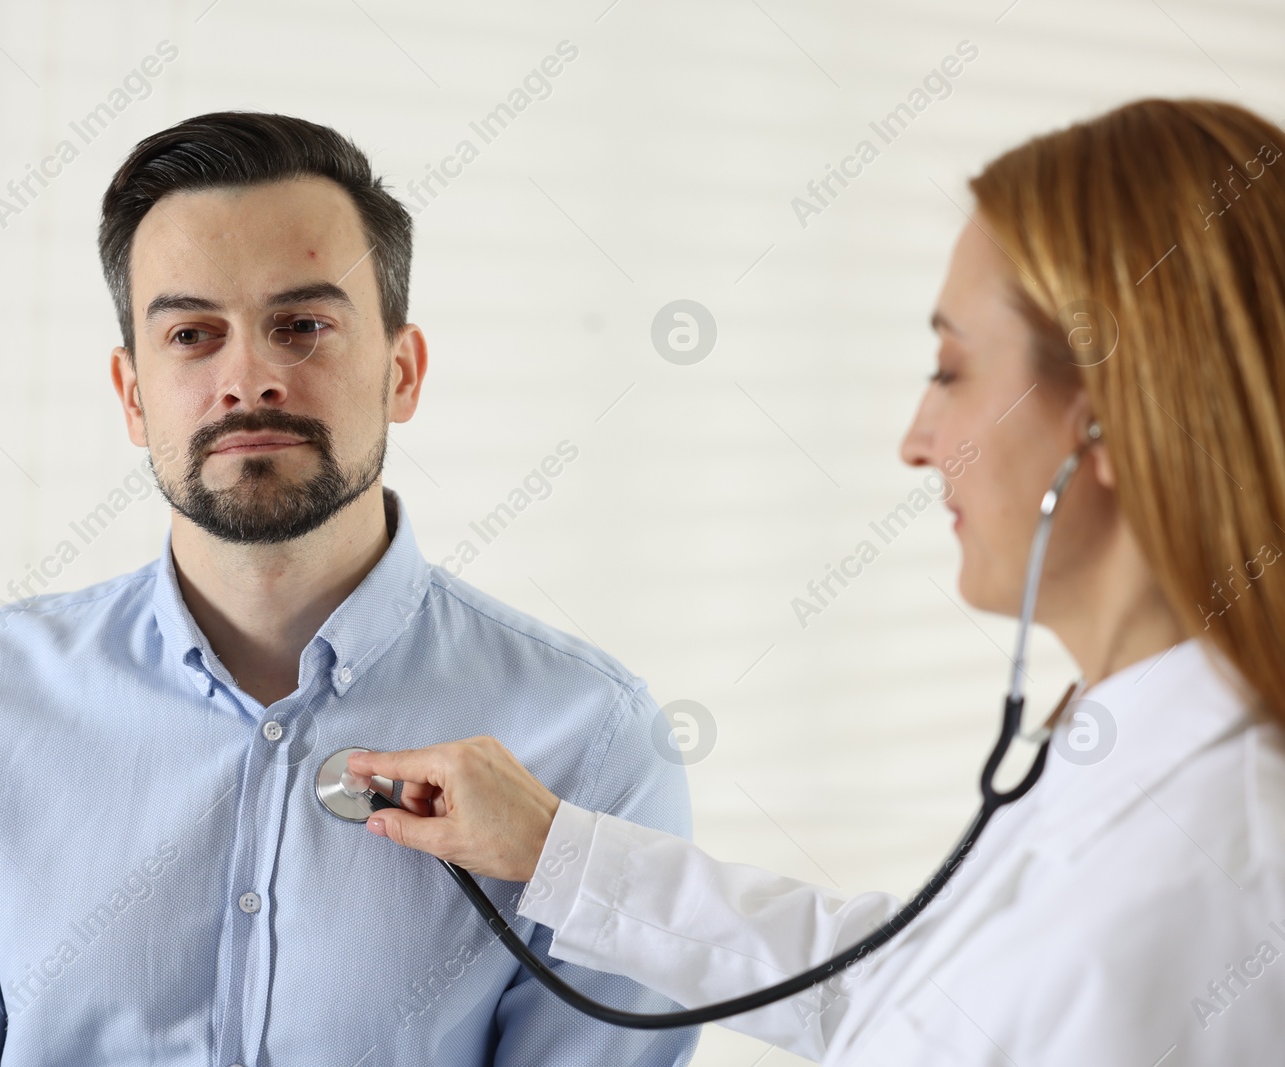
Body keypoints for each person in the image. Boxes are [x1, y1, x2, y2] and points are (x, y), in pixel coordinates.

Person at [349, 97, 1285, 1065]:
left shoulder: (1215, 890)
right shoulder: (1124, 760)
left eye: (950, 368)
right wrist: (555, 851)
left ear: (1107, 422)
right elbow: (914, 995)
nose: (915, 442)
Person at [0, 112, 699, 1066]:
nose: (248, 379)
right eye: (192, 334)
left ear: (402, 370)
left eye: (302, 326)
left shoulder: (592, 739)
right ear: (134, 396)